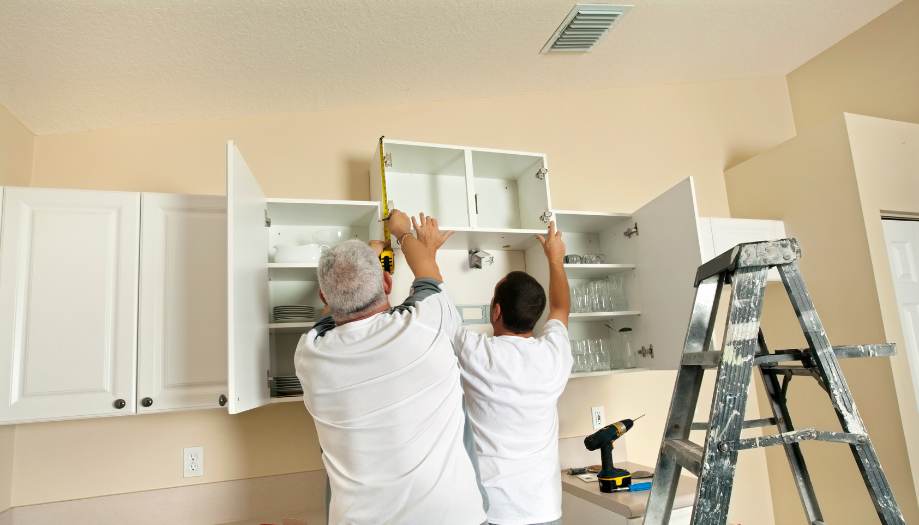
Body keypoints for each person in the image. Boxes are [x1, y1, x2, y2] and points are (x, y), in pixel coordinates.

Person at [294, 210, 486, 525]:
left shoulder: (310, 354)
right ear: (386, 281)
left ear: (323, 296)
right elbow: (427, 273)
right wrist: (403, 233)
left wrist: (371, 252)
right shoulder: (427, 324)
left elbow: (338, 310)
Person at [453, 221, 573, 525]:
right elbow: (560, 307)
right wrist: (555, 260)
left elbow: (437, 312)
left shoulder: (476, 352)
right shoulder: (553, 354)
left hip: (493, 511)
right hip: (545, 510)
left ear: (495, 311)